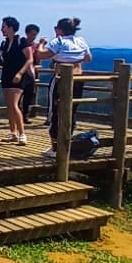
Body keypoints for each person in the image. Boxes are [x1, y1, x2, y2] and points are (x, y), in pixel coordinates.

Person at [37, 17, 92, 160]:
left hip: (61, 79)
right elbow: (88, 58)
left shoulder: (58, 41)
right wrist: (73, 57)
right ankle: (66, 144)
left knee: (56, 112)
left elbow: (41, 55)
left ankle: (56, 148)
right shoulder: (80, 40)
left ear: (59, 29)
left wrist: (41, 44)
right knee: (71, 111)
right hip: (79, 79)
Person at [0, 16, 35, 145]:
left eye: (3, 26)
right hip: (6, 75)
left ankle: (22, 134)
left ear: (10, 27)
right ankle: (13, 132)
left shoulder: (22, 41)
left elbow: (30, 59)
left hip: (19, 76)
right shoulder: (4, 43)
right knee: (9, 106)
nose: (1, 29)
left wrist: (20, 73)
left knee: (14, 105)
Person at [21, 24, 40, 124]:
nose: (34, 36)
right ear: (27, 33)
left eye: (35, 34)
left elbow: (37, 61)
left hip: (30, 74)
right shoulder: (21, 43)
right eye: (32, 34)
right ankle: (18, 114)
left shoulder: (36, 46)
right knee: (18, 95)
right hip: (21, 72)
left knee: (28, 95)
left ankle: (25, 115)